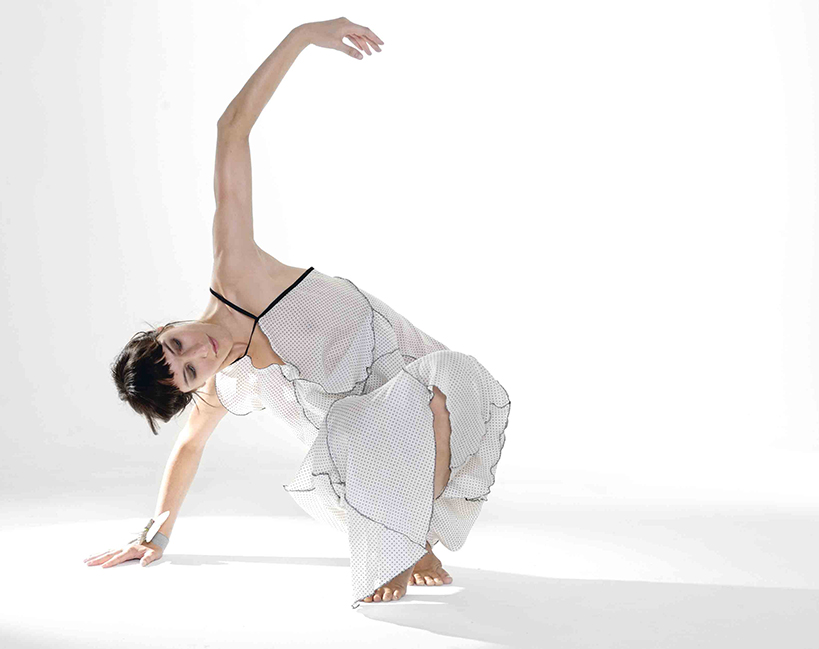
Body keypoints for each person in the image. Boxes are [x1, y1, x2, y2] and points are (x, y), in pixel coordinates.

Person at [83, 17, 511, 608]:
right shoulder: (223, 385)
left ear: (165, 328)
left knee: (446, 381)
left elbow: (231, 129)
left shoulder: (235, 270)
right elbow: (187, 448)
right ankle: (405, 541)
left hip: (418, 378)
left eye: (176, 345)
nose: (199, 352)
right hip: (372, 450)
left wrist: (304, 35)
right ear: (194, 385)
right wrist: (153, 536)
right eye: (190, 371)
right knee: (356, 426)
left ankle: (409, 541)